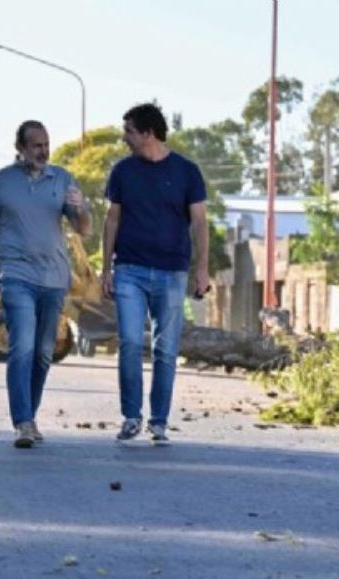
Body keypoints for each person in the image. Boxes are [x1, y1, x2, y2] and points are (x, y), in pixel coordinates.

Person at [0, 120, 91, 448]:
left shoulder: (62, 179)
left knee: (43, 353)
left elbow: (84, 229)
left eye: (46, 144)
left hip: (54, 279)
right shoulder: (1, 182)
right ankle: (22, 422)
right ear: (21, 148)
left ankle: (30, 415)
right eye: (36, 145)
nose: (43, 151)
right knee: (22, 347)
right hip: (17, 276)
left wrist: (80, 209)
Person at [102, 102, 209, 447]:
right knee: (131, 342)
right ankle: (131, 417)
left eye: (129, 131)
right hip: (129, 268)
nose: (124, 138)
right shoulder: (122, 172)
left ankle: (159, 421)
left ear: (148, 133)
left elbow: (200, 223)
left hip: (172, 272)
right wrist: (106, 268)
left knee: (166, 349)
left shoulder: (186, 172)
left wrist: (202, 269)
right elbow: (112, 220)